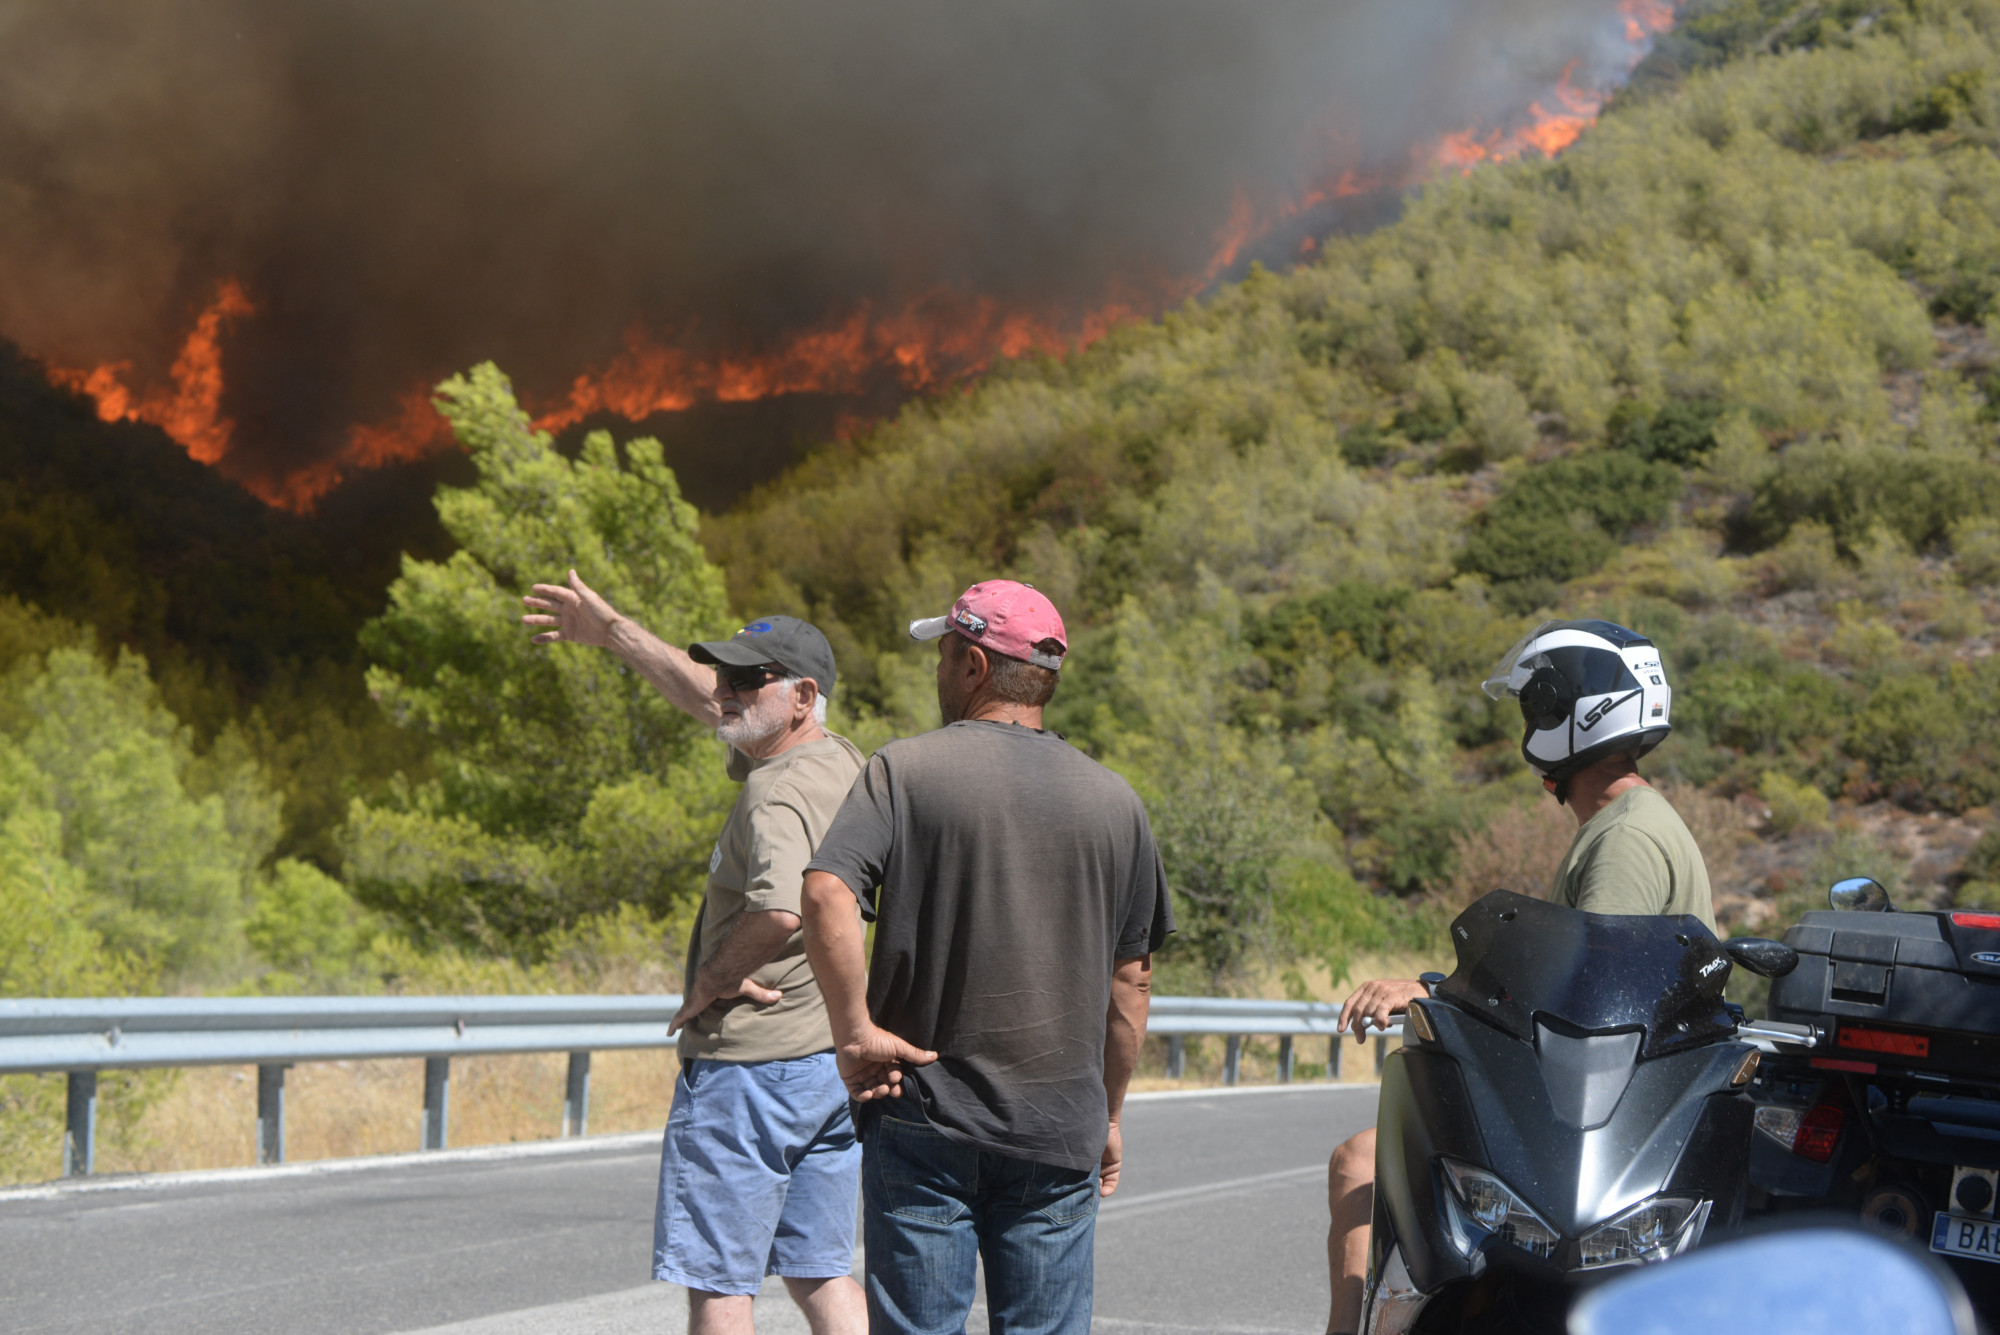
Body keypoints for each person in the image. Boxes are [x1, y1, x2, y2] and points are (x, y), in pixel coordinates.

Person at [795, 579, 1175, 1335]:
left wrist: (854, 1029)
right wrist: (1108, 1111)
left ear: (973, 665)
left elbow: (824, 894)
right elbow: (1131, 979)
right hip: (1058, 1126)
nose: (937, 672)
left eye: (943, 655)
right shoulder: (1116, 801)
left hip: (925, 1114)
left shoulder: (904, 772)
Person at [1322, 619, 1716, 1335]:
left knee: (1358, 1164)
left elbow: (1588, 1005)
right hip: (1610, 1120)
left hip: (1592, 1129)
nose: (1531, 723)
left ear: (1580, 711)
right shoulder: (1629, 822)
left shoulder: (1624, 839)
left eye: (1539, 705)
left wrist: (1429, 993)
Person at [521, 570, 867, 1335]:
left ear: (803, 696)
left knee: (717, 1281)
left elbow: (779, 909)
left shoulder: (773, 791)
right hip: (823, 1064)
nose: (731, 690)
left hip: (748, 1072)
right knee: (823, 1271)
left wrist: (712, 979)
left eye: (753, 679)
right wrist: (613, 632)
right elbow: (703, 698)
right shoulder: (841, 763)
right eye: (730, 673)